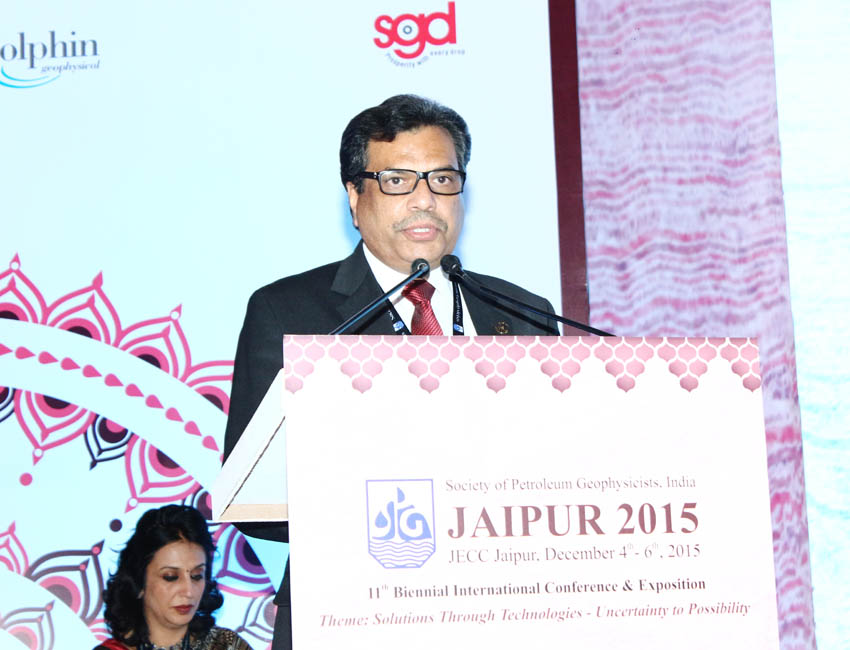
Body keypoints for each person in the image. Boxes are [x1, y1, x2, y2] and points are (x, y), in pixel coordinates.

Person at [223, 94, 559, 649]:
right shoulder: (289, 312)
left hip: (502, 609)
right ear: (355, 198)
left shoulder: (525, 314)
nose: (425, 199)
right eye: (398, 181)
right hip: (354, 610)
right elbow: (254, 498)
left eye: (443, 179)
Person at [94, 505, 252, 650]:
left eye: (197, 576)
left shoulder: (227, 645)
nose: (188, 591)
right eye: (171, 577)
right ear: (138, 581)